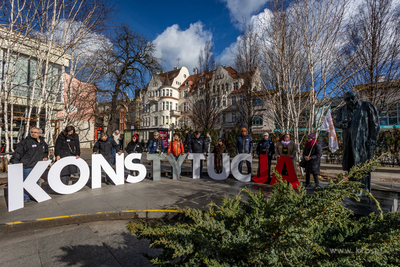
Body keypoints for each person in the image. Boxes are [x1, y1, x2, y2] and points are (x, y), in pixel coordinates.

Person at [335, 90, 380, 192]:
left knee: (362, 166)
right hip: (349, 142)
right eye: (347, 99)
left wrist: (372, 138)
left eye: (352, 98)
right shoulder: (342, 109)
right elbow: (336, 122)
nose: (350, 101)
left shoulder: (367, 106)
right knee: (351, 165)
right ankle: (352, 189)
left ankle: (363, 190)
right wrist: (342, 124)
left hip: (363, 142)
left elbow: (375, 124)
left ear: (357, 96)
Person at [10, 127, 48, 203]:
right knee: (26, 183)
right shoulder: (25, 142)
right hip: (27, 166)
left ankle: (34, 196)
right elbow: (18, 152)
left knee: (35, 183)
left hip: (37, 167)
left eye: (35, 132)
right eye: (32, 132)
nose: (33, 134)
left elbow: (45, 152)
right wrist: (14, 162)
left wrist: (45, 157)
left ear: (40, 134)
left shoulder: (42, 143)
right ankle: (26, 197)